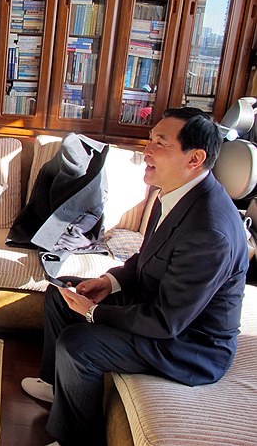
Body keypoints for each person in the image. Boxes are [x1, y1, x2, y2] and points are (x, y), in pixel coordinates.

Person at [21, 107, 249, 446]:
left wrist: (94, 312)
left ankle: (78, 441)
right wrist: (109, 282)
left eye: (160, 143)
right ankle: (57, 386)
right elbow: (146, 258)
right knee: (61, 292)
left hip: (189, 344)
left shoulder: (210, 230)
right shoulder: (172, 193)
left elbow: (166, 321)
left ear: (195, 158)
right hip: (157, 305)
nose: (146, 151)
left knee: (79, 344)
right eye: (150, 140)